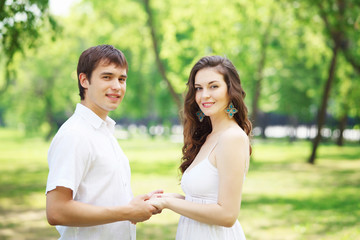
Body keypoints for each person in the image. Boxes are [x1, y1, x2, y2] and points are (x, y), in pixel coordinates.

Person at [45, 44, 161, 240]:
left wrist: (135, 206)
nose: (117, 86)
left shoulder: (103, 130)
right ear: (84, 80)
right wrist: (127, 212)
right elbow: (56, 211)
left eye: (122, 79)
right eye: (107, 77)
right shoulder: (75, 135)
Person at [148, 55, 252, 239]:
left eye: (213, 86)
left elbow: (227, 215)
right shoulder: (209, 136)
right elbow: (203, 201)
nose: (204, 95)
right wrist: (171, 198)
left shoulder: (232, 138)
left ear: (230, 90)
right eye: (198, 88)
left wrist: (168, 204)